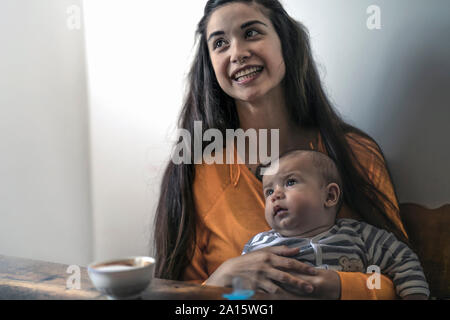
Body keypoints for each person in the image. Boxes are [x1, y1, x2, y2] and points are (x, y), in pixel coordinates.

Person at [154, 0, 410, 299]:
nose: (237, 53)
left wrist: (337, 286)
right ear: (210, 63)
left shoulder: (356, 153)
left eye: (251, 33)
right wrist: (222, 279)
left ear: (285, 43)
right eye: (220, 43)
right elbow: (178, 297)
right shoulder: (193, 172)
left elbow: (404, 278)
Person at [242, 149, 429, 299]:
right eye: (268, 192)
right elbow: (238, 284)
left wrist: (415, 294)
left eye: (290, 182)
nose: (275, 195)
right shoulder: (259, 244)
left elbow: (403, 260)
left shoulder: (360, 235)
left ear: (330, 196)